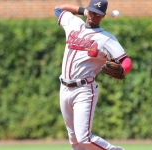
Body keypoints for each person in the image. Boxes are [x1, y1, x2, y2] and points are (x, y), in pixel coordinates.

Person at [54, 0, 132, 149]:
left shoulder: (106, 38)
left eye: (98, 14)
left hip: (84, 90)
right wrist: (84, 11)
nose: (93, 16)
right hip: (64, 88)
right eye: (92, 12)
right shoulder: (73, 23)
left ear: (103, 16)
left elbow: (125, 59)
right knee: (75, 141)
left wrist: (123, 70)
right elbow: (58, 8)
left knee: (84, 138)